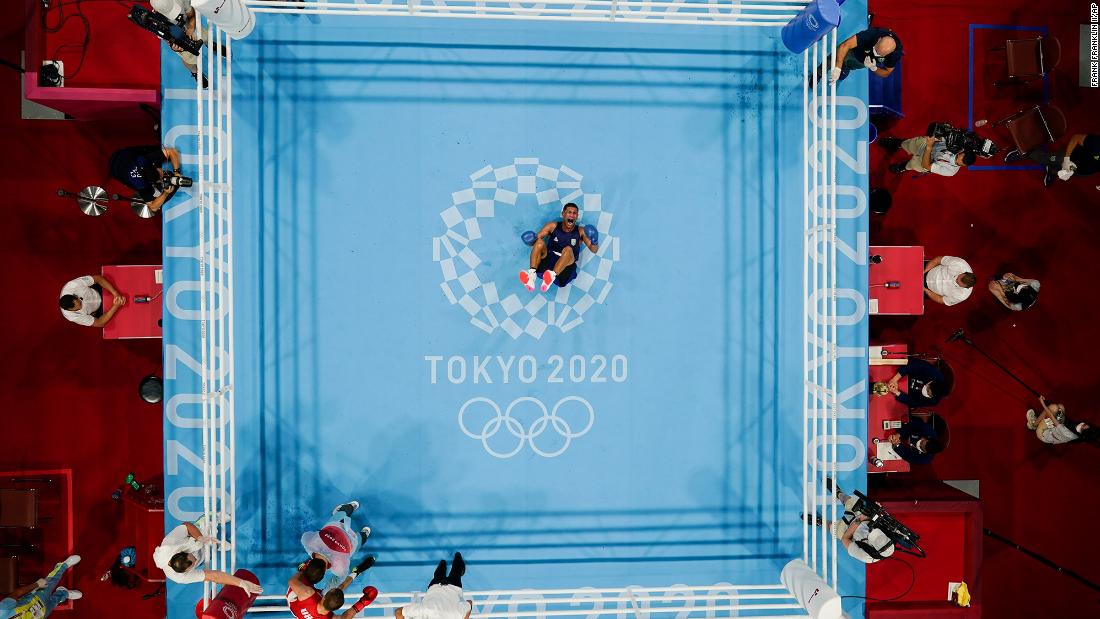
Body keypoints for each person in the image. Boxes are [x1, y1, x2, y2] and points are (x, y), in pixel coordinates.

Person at [152, 515, 263, 593]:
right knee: (203, 556)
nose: (194, 560)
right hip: (197, 550)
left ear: (182, 552)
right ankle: (215, 545)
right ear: (186, 571)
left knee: (204, 529)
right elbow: (214, 576)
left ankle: (212, 518)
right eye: (192, 564)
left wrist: (200, 537)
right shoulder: (180, 578)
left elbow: (186, 526)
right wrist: (241, 583)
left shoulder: (170, 543)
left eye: (192, 558)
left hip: (195, 537)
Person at [802, 480, 895, 564]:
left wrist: (859, 520)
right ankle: (838, 493)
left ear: (874, 549)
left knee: (833, 529)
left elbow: (845, 540)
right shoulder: (890, 534)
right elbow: (880, 516)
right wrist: (876, 509)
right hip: (865, 519)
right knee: (851, 502)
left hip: (849, 533)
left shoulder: (866, 556)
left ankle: (820, 522)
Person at [520, 203, 598, 293]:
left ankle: (551, 276)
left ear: (577, 216)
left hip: (566, 267)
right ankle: (531, 275)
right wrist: (530, 240)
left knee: (568, 249)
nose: (572, 215)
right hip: (548, 261)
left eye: (574, 213)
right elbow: (534, 242)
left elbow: (594, 250)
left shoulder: (580, 231)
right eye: (569, 212)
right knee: (539, 243)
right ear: (563, 214)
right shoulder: (552, 226)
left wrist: (594, 240)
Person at [302, 501, 372, 590]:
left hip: (353, 540)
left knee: (358, 544)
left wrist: (326, 591)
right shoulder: (308, 544)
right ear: (309, 563)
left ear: (324, 571)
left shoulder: (340, 568)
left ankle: (364, 534)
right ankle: (349, 507)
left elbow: (339, 580)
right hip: (337, 525)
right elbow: (306, 535)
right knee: (335, 520)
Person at [287, 553, 378, 619]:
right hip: (302, 612)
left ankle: (306, 567)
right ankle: (357, 571)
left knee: (312, 573)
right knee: (340, 585)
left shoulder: (307, 593)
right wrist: (362, 603)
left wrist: (303, 570)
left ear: (323, 597)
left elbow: (292, 581)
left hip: (295, 599)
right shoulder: (328, 617)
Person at [0, 555, 81, 619]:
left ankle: (63, 565)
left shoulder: (2, 611)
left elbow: (16, 593)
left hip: (36, 597)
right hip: (41, 615)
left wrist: (37, 584)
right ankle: (63, 592)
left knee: (52, 580)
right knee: (55, 601)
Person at [1005, 133, 1100, 187]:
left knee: (1062, 173)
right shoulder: (1097, 143)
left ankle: (1052, 170)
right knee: (1047, 158)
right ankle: (1023, 151)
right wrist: (1066, 159)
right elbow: (1076, 138)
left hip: (1083, 171)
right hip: (1068, 157)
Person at [108, 144, 184, 212]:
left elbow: (172, 151)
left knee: (155, 149)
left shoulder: (145, 159)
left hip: (123, 154)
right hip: (115, 172)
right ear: (151, 183)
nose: (163, 175)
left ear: (153, 165)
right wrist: (165, 193)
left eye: (162, 173)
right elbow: (153, 207)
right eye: (161, 177)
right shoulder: (141, 186)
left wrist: (176, 172)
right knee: (159, 196)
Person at [395, 553, 473, 619]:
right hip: (435, 585)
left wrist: (464, 617)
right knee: (438, 574)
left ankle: (456, 557)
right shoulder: (424, 611)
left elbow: (469, 603)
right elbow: (398, 612)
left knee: (457, 570)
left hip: (453, 586)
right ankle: (442, 564)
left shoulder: (455, 614)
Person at [149, 0, 208, 86]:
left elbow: (191, 15)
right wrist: (175, 48)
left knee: (206, 37)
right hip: (176, 37)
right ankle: (196, 72)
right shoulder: (156, 24)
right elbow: (169, 40)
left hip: (188, 25)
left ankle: (210, 44)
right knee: (188, 61)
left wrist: (191, 29)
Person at [824, 28, 903, 84]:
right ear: (879, 39)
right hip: (853, 50)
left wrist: (874, 68)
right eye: (876, 49)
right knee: (830, 61)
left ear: (889, 53)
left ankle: (847, 67)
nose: (875, 53)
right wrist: (838, 67)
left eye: (879, 54)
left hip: (863, 62)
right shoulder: (873, 33)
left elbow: (887, 72)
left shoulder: (895, 54)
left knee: (844, 72)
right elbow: (845, 45)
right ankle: (818, 74)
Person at [878, 135, 976, 176]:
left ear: (963, 165)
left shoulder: (951, 171)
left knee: (913, 165)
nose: (957, 156)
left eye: (959, 160)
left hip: (927, 161)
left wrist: (928, 148)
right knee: (909, 144)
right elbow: (942, 137)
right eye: (960, 154)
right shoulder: (958, 145)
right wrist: (935, 138)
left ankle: (903, 166)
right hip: (928, 145)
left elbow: (927, 166)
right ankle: (898, 143)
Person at [59, 274, 125, 327]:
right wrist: (116, 306)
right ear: (70, 310)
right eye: (78, 309)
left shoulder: (72, 285)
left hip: (98, 290)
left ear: (75, 296)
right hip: (100, 310)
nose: (81, 307)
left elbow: (98, 279)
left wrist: (115, 293)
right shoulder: (72, 317)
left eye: (80, 303)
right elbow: (100, 323)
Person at [1027, 397, 1097, 445]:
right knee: (1060, 407)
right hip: (1057, 428)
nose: (1083, 424)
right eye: (1086, 425)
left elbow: (1051, 416)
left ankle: (1033, 425)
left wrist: (1042, 402)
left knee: (1052, 408)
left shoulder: (1069, 433)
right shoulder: (1081, 433)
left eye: (1084, 426)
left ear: (1083, 432)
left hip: (1044, 433)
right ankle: (1039, 422)